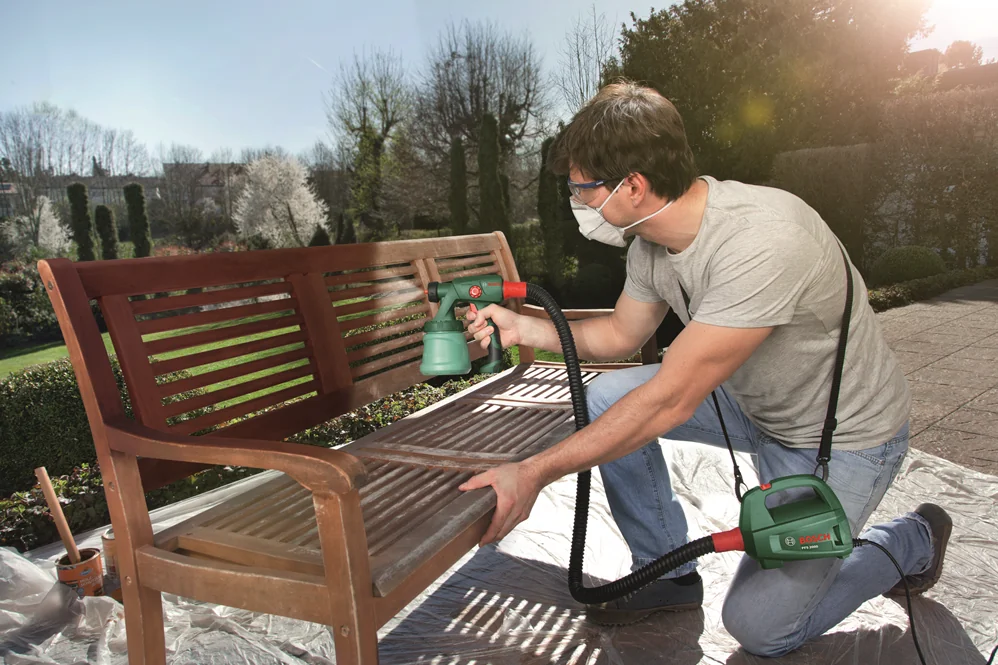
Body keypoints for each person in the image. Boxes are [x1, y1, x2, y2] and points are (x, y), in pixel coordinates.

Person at [457, 81, 952, 658]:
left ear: (632, 187)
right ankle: (666, 572)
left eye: (581, 188)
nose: (578, 203)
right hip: (752, 403)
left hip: (842, 436)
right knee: (606, 397)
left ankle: (913, 538)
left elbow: (672, 400)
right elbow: (620, 335)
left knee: (762, 628)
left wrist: (533, 472)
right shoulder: (650, 246)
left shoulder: (762, 240)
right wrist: (526, 329)